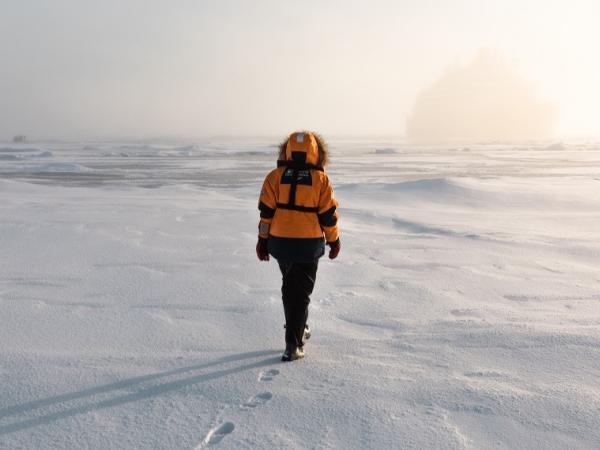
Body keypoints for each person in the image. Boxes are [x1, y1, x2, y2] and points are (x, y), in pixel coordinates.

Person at [256, 131, 341, 362]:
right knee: (299, 294)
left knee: (291, 289)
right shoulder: (321, 181)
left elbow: (266, 214)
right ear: (315, 153)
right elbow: (328, 217)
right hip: (307, 245)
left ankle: (298, 328)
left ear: (288, 150)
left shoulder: (274, 177)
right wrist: (334, 240)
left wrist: (262, 241)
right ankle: (293, 345)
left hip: (280, 244)